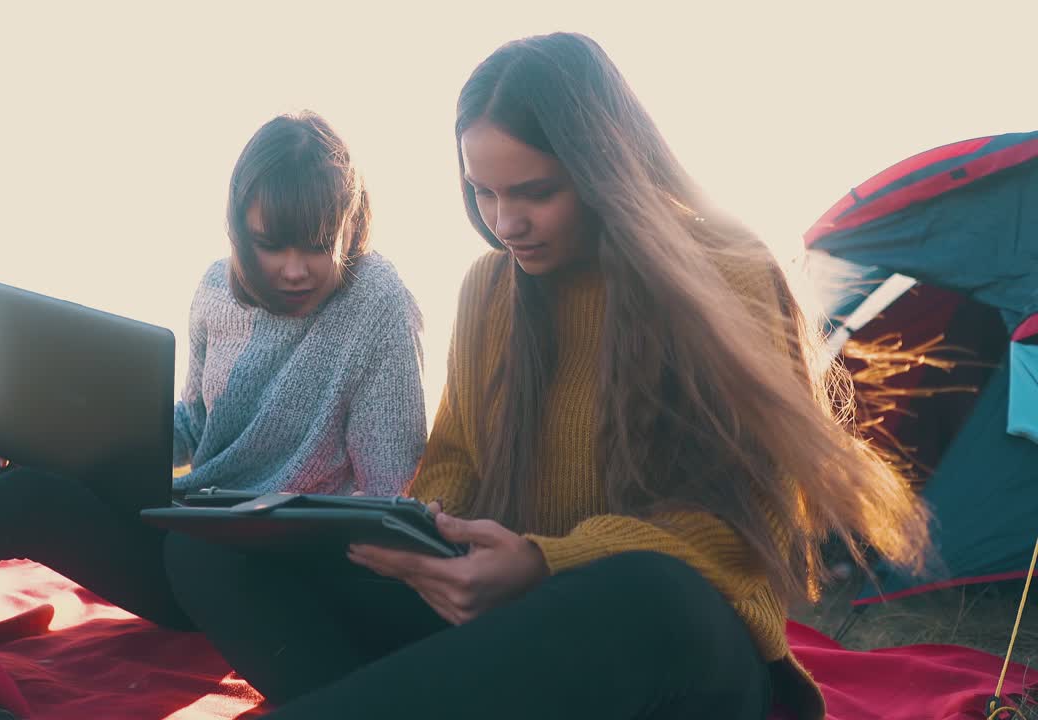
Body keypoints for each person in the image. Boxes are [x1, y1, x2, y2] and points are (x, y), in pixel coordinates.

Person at [162, 33, 930, 720]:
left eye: (535, 192)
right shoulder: (489, 289)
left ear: (606, 170)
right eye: (484, 192)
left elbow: (738, 536)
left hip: (675, 652)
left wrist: (544, 563)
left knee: (646, 591)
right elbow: (457, 457)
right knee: (212, 545)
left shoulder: (724, 275)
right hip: (512, 623)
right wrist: (431, 539)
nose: (506, 222)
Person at [0, 111, 427, 671]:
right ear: (239, 227)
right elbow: (195, 424)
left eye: (315, 246)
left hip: (238, 569)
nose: (291, 268)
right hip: (177, 518)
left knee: (30, 499)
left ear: (349, 224)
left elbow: (387, 491)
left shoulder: (377, 303)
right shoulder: (218, 289)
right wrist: (58, 435)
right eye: (269, 244)